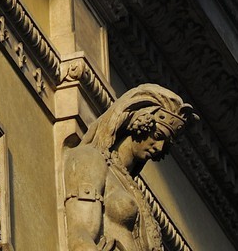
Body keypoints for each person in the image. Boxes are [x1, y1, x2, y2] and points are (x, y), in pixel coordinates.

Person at [64, 84, 195, 251]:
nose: (160, 147)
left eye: (166, 143)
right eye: (157, 136)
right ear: (138, 122)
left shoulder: (131, 187)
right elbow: (80, 234)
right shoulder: (91, 159)